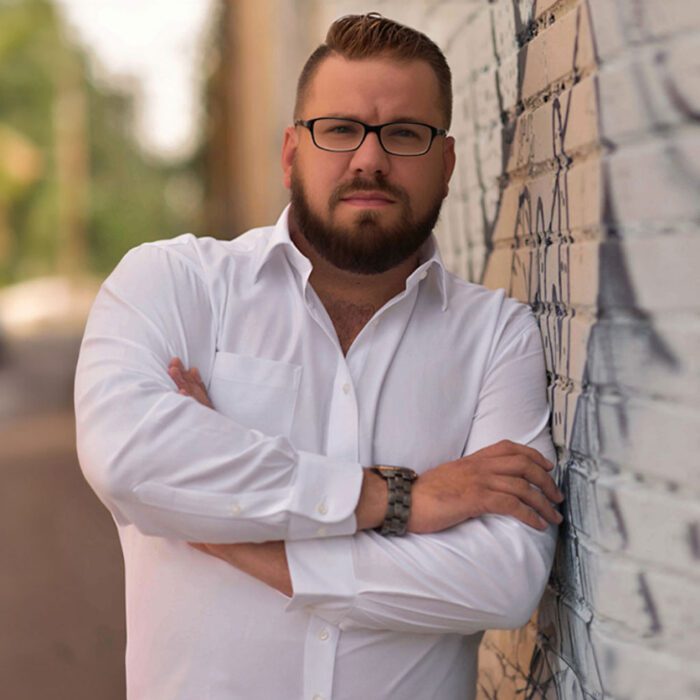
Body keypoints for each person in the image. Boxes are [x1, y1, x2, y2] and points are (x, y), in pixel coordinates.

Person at [75, 13, 563, 700]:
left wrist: (241, 537)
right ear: (289, 152)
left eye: (404, 134)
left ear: (447, 164)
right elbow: (129, 458)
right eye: (338, 129)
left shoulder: (496, 338)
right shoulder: (176, 286)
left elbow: (504, 580)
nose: (369, 159)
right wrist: (396, 501)